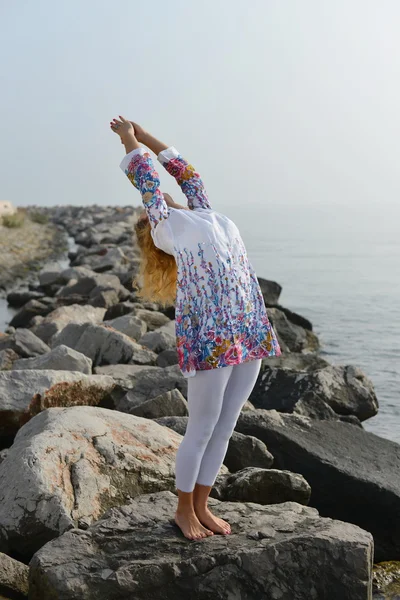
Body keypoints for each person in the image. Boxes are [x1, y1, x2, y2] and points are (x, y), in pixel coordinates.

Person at [110, 116, 282, 541]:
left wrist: (148, 134)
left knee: (226, 425)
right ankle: (183, 509)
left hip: (249, 328)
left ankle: (203, 506)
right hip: (209, 336)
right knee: (202, 426)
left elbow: (187, 173)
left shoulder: (207, 213)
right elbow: (149, 178)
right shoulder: (167, 227)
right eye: (157, 202)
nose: (166, 196)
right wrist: (129, 140)